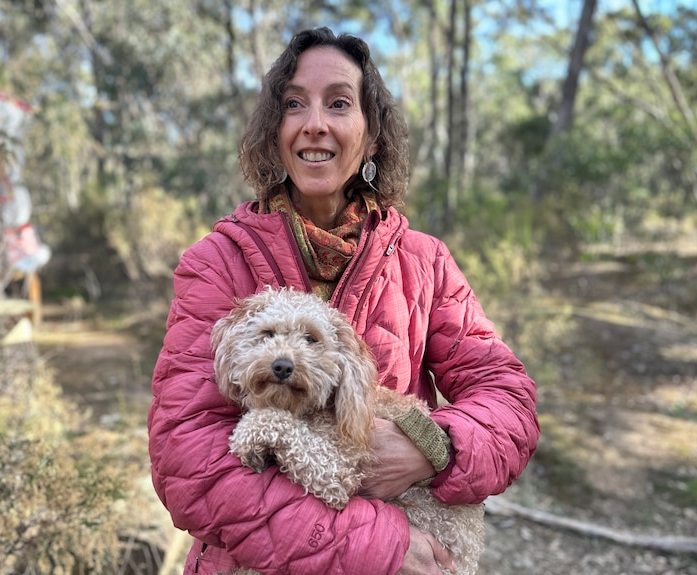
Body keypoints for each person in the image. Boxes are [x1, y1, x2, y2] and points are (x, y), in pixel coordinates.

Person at [148, 27, 540, 574]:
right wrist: (375, 546)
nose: (315, 123)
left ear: (371, 135)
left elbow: (507, 399)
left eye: (338, 102)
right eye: (293, 104)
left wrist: (431, 444)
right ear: (275, 130)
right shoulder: (217, 262)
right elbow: (187, 458)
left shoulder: (424, 262)